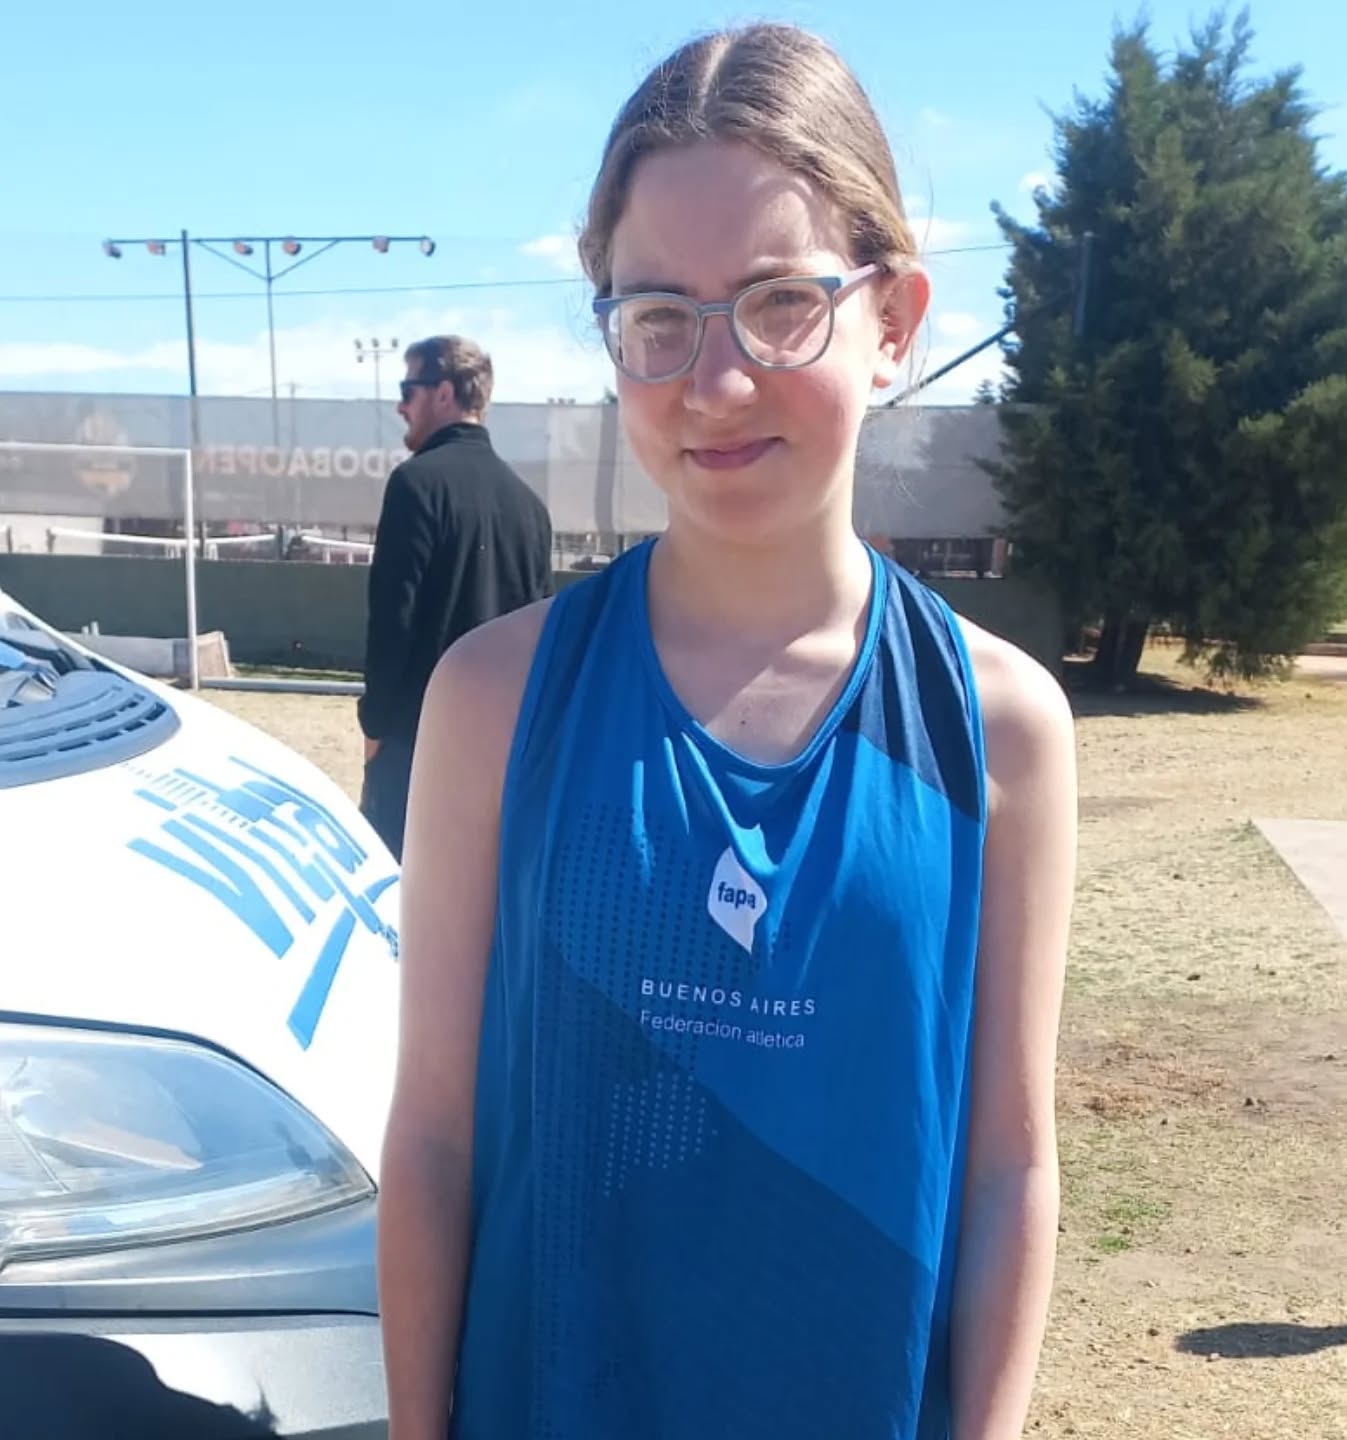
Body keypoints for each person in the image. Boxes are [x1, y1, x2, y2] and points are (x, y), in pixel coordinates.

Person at [378, 24, 1076, 1440]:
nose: (716, 381)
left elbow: (1008, 1168)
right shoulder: (494, 699)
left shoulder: (999, 728)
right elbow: (436, 1138)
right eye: (660, 318)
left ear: (894, 321)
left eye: (779, 303)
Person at [358, 335, 553, 859]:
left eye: (408, 390)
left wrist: (375, 728)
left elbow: (392, 620)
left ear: (444, 393)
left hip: (417, 746)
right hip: (503, 754)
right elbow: (541, 641)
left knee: (398, 891)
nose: (400, 406)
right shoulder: (530, 507)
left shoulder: (415, 484)